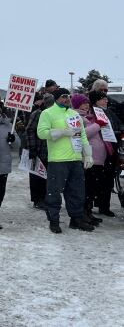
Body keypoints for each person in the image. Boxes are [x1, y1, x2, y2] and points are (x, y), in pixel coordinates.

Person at [37, 88, 95, 233]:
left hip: (75, 159)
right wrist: (62, 132)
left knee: (77, 191)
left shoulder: (74, 114)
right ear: (56, 98)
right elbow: (41, 133)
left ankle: (76, 219)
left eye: (68, 96)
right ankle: (54, 220)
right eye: (63, 96)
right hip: (58, 160)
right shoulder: (47, 113)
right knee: (54, 192)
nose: (66, 99)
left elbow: (82, 136)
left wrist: (88, 155)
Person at [72, 93, 108, 226]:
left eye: (87, 102)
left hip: (97, 158)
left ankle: (88, 212)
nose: (86, 105)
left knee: (92, 188)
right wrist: (98, 125)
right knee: (86, 188)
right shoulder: (77, 116)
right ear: (77, 104)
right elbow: (83, 134)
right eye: (83, 102)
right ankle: (82, 213)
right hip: (87, 158)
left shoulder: (91, 117)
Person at [25, 94, 53, 209]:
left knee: (47, 177)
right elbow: (30, 130)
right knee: (37, 176)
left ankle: (45, 198)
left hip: (50, 150)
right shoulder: (38, 114)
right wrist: (32, 148)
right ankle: (38, 199)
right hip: (39, 149)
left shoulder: (52, 114)